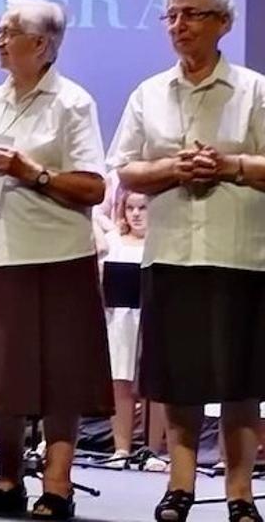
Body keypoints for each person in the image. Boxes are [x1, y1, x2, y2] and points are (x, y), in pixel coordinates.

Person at [108, 0, 265, 522]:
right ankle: (180, 485)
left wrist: (232, 165)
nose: (179, 25)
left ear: (223, 23)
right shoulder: (149, 93)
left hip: (240, 253)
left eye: (193, 14)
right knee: (177, 380)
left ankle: (239, 491)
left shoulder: (253, 90)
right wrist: (172, 168)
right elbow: (124, 168)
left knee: (241, 380)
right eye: (171, 14)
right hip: (171, 252)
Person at [0, 0, 111, 520]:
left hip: (54, 253)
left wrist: (31, 171)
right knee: (2, 372)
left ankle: (58, 484)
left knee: (59, 370)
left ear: (40, 44)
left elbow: (92, 186)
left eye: (8, 32)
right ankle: (8, 479)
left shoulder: (72, 104)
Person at [100, 189, 167, 471]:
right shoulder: (114, 242)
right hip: (121, 319)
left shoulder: (162, 242)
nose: (137, 214)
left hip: (154, 318)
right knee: (121, 381)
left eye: (143, 207)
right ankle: (122, 448)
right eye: (131, 208)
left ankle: (151, 449)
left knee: (154, 385)